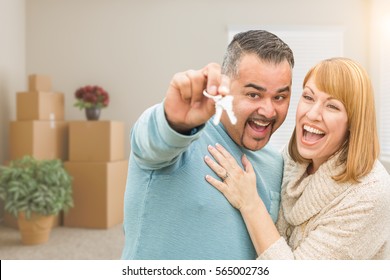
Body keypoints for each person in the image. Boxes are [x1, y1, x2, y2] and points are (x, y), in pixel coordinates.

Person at [121, 30, 295, 260]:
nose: (268, 110)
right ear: (225, 88)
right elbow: (150, 141)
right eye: (253, 95)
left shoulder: (277, 164)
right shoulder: (180, 140)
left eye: (279, 97)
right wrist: (173, 122)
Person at [204, 57, 390, 259]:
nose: (312, 114)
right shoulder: (291, 160)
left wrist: (250, 203)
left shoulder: (370, 195)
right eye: (308, 97)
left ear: (354, 123)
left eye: (332, 106)